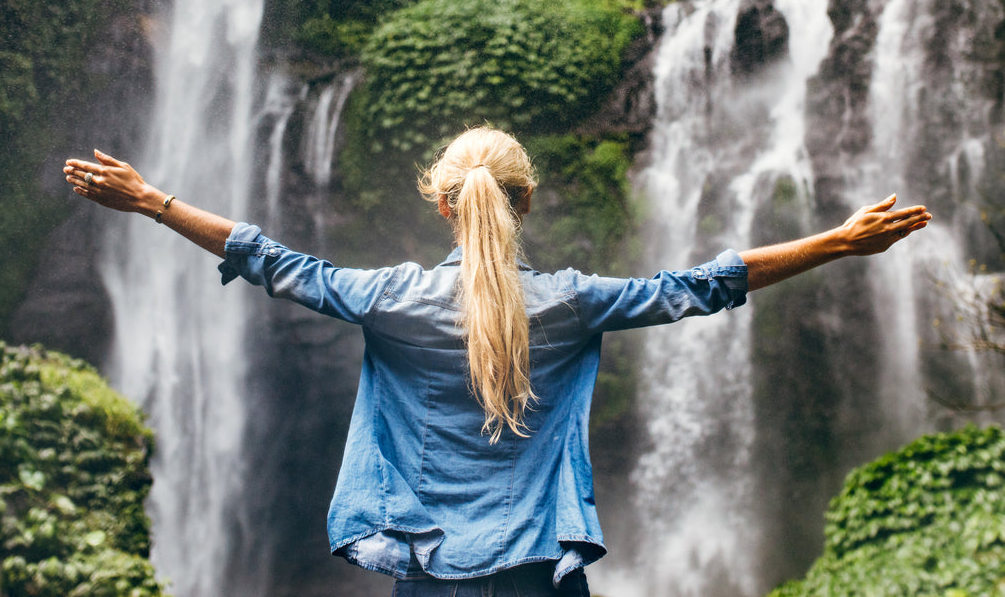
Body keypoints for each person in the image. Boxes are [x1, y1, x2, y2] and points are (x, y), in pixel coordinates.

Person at [64, 126, 930, 597]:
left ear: (444, 206)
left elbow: (273, 258)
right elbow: (701, 285)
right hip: (537, 577)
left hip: (430, 573)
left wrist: (152, 202)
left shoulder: (390, 299)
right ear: (526, 201)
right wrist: (838, 243)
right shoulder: (572, 302)